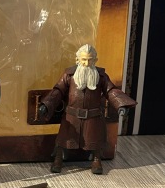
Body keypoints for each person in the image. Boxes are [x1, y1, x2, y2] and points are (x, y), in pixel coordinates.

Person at [39, 44, 136, 174]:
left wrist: (121, 104)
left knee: (94, 140)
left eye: (90, 60)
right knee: (64, 139)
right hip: (72, 116)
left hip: (93, 116)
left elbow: (111, 91)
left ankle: (96, 159)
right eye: (83, 59)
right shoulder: (69, 75)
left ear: (95, 60)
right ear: (78, 59)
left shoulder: (101, 76)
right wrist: (46, 104)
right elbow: (58, 91)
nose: (86, 63)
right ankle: (58, 159)